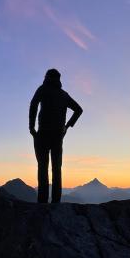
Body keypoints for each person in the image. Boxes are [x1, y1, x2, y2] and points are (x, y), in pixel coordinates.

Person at [29, 68, 83, 203]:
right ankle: (56, 202)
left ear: (47, 77)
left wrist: (31, 127)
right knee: (57, 169)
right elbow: (79, 110)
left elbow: (33, 105)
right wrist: (66, 127)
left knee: (42, 167)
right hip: (58, 137)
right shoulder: (64, 94)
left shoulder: (42, 89)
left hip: (42, 134)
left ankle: (42, 202)